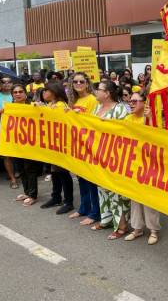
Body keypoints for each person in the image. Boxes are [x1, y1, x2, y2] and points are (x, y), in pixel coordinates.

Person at [91, 80, 130, 240]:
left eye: (98, 90)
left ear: (107, 93)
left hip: (114, 156)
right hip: (98, 155)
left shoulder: (120, 109)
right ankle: (106, 219)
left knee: (116, 191)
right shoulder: (96, 108)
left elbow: (124, 132)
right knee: (102, 188)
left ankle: (121, 225)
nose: (95, 92)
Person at [123, 90, 161, 244]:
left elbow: (158, 139)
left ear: (144, 103)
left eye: (135, 101)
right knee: (135, 197)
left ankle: (153, 230)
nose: (131, 103)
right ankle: (137, 228)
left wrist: (150, 119)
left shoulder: (152, 119)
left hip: (149, 163)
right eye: (130, 101)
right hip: (133, 162)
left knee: (149, 198)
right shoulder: (127, 118)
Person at [67, 72, 100, 226]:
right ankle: (84, 208)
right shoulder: (74, 100)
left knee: (91, 180)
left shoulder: (92, 100)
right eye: (75, 81)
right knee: (81, 179)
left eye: (81, 81)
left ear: (87, 83)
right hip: (77, 145)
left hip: (89, 145)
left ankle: (95, 213)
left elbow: (93, 122)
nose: (78, 84)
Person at [39, 82, 74, 215]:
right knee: (54, 172)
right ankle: (56, 197)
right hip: (52, 144)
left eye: (46, 90)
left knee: (63, 173)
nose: (44, 93)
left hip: (61, 145)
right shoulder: (49, 105)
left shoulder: (60, 105)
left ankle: (68, 201)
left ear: (54, 92)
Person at [11, 84, 41, 205]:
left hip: (30, 143)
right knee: (21, 169)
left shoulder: (32, 105)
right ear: (12, 94)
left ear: (25, 93)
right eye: (15, 92)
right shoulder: (9, 108)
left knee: (30, 168)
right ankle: (27, 192)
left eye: (20, 91)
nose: (18, 94)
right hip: (15, 143)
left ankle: (33, 195)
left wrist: (39, 107)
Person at [0, 77, 17, 188]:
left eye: (9, 81)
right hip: (3, 129)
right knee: (7, 155)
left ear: (12, 83)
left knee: (20, 154)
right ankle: (13, 179)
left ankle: (19, 173)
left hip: (20, 129)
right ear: (0, 84)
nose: (6, 84)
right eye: (3, 82)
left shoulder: (17, 94)